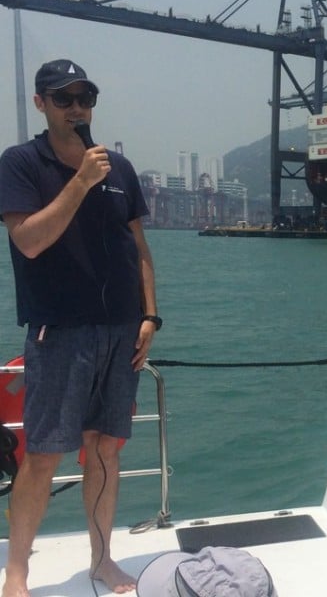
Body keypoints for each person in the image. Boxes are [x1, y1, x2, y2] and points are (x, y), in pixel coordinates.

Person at [0, 59, 159, 597]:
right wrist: (81, 182)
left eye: (84, 97)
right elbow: (28, 240)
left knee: (107, 450)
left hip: (121, 331)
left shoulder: (120, 167)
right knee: (43, 455)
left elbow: (137, 248)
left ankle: (101, 560)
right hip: (60, 331)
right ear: (41, 104)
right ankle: (17, 573)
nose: (76, 108)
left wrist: (150, 315)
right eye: (63, 98)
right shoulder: (21, 163)